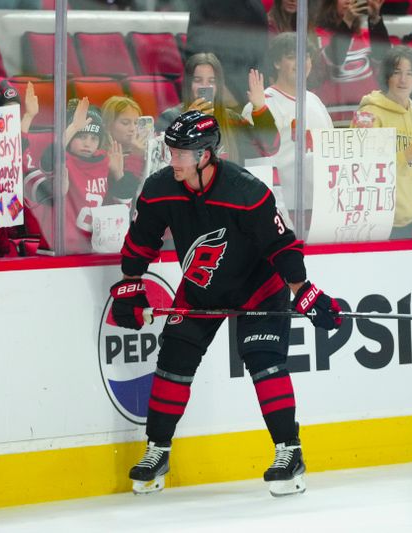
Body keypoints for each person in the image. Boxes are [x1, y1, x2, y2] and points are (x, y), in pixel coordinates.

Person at [108, 110, 342, 497]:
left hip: (258, 288)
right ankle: (158, 450)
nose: (173, 160)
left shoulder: (246, 192)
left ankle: (289, 452)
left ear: (204, 155)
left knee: (265, 362)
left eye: (181, 153)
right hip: (200, 289)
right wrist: (130, 284)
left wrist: (305, 291)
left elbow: (282, 247)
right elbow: (141, 240)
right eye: (171, 151)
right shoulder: (160, 187)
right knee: (173, 361)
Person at [351, 46, 412, 239]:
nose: (403, 80)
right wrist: (403, 156)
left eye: (410, 73)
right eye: (397, 73)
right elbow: (358, 169)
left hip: (409, 219)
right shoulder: (369, 114)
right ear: (386, 76)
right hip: (377, 221)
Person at [243, 32, 333, 216]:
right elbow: (254, 167)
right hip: (279, 211)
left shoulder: (315, 101)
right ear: (277, 63)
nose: (302, 63)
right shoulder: (261, 104)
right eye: (292, 57)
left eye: (306, 56)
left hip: (320, 208)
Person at [30, 97, 132, 253]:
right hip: (58, 249)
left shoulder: (106, 161)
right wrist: (73, 127)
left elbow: (123, 211)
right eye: (81, 136)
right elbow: (47, 160)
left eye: (93, 138)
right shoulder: (62, 159)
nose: (87, 143)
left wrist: (119, 175)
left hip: (95, 249)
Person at [156, 53, 279, 166]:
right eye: (198, 80)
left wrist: (260, 108)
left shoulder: (232, 120)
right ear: (188, 84)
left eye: (212, 81)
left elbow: (269, 148)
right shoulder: (170, 118)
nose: (205, 86)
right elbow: (162, 162)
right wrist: (187, 123)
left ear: (218, 86)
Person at [184, 0, 270, 109]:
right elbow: (195, 52)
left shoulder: (254, 5)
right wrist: (218, 85)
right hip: (212, 85)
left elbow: (261, 53)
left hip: (246, 89)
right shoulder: (204, 4)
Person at [312, 0, 391, 108]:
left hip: (369, 110)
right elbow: (334, 59)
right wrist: (347, 21)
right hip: (333, 109)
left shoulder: (366, 34)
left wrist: (375, 19)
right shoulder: (316, 36)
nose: (348, 1)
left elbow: (386, 61)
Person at [101, 96, 148, 202]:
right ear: (108, 125)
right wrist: (136, 156)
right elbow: (125, 195)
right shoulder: (101, 156)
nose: (132, 129)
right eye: (125, 123)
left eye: (136, 123)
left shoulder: (146, 151)